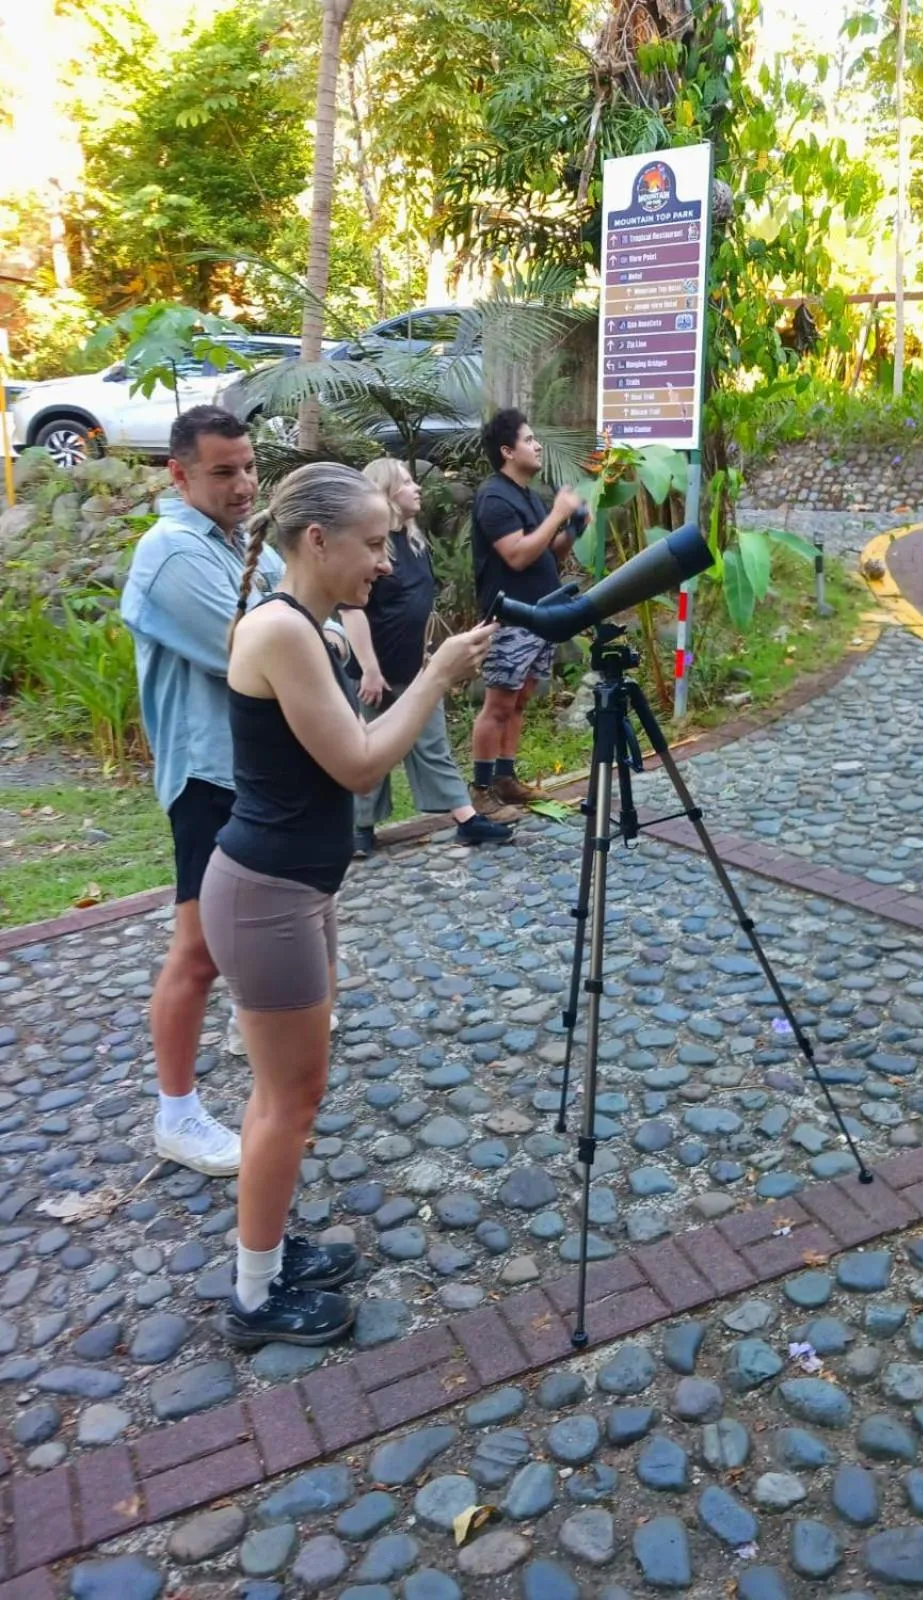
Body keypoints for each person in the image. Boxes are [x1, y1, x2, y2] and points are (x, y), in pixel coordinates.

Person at [199, 462, 495, 1346]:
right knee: (287, 1099)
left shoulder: (310, 629)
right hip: (267, 896)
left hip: (293, 889)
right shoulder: (282, 631)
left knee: (291, 1092)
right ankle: (255, 1299)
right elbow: (361, 765)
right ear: (317, 541)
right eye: (373, 545)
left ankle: (267, 1252)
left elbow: (348, 751)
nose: (386, 563)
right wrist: (435, 676)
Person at [121, 407, 313, 1176]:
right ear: (179, 474)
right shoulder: (171, 553)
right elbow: (260, 647)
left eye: (250, 467)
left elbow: (296, 622)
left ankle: (254, 1034)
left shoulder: (234, 542)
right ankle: (176, 1116)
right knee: (198, 951)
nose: (244, 485)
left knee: (255, 928)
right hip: (209, 777)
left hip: (253, 773)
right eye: (223, 472)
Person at [340, 457, 517, 854]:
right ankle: (360, 828)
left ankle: (466, 819)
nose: (416, 487)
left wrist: (425, 656)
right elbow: (351, 610)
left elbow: (420, 605)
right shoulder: (370, 548)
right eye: (406, 482)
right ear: (385, 492)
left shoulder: (416, 543)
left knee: (432, 742)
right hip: (372, 671)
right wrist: (369, 669)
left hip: (414, 669)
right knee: (369, 748)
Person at [469, 408, 585, 812]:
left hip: (541, 615)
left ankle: (506, 779)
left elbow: (549, 553)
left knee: (519, 700)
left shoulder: (528, 497)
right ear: (507, 451)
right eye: (529, 440)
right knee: (499, 704)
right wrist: (558, 513)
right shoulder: (494, 497)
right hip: (510, 619)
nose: (537, 446)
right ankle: (481, 790)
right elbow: (517, 555)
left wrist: (573, 527)